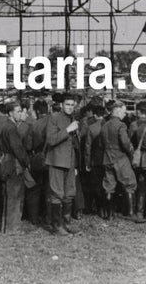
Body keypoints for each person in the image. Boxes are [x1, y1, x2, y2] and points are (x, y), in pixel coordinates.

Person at [46, 93, 80, 235]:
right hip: (57, 161)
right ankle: (56, 225)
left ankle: (66, 223)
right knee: (57, 193)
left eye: (72, 105)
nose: (70, 107)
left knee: (69, 193)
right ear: (61, 105)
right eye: (67, 104)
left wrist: (76, 164)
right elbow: (51, 140)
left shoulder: (73, 119)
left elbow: (76, 144)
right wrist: (68, 130)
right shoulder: (54, 118)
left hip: (70, 162)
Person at [100, 101, 136, 222]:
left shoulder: (104, 125)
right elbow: (125, 143)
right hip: (120, 158)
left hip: (107, 158)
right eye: (124, 112)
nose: (125, 114)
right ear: (118, 111)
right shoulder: (121, 125)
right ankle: (130, 213)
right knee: (130, 184)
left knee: (109, 186)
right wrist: (131, 151)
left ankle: (110, 215)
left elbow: (101, 144)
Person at [0, 101, 31, 234]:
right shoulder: (12, 128)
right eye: (18, 111)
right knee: (16, 196)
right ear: (11, 113)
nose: (20, 114)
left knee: (9, 195)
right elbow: (18, 148)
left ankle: (6, 226)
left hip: (6, 162)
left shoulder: (6, 126)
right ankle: (13, 228)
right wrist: (27, 161)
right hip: (14, 163)